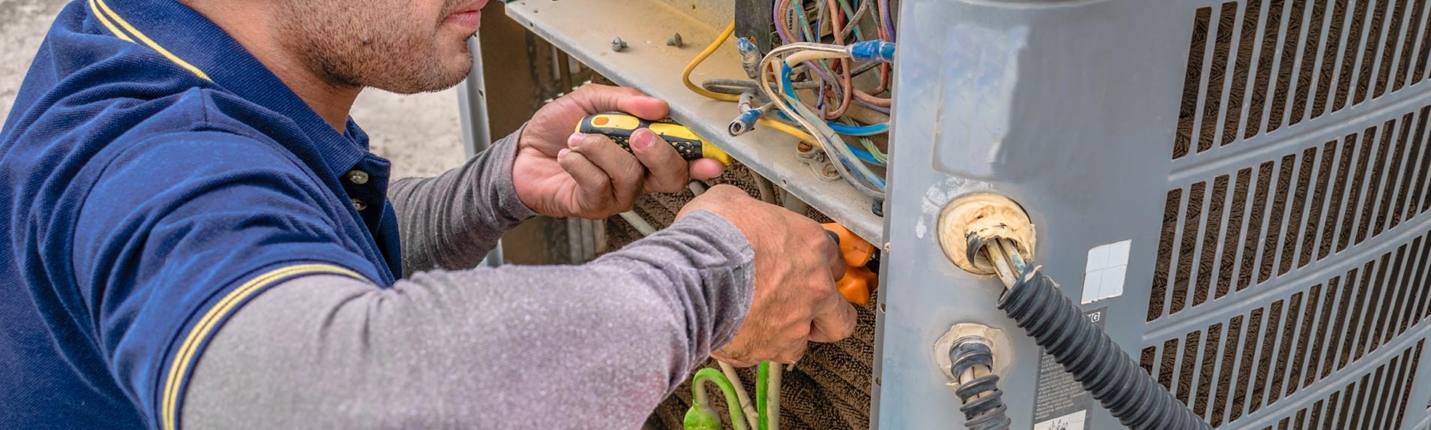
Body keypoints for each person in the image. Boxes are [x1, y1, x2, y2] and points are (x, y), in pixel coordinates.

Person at [0, 0, 859, 427]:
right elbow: (330, 391)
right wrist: (712, 278)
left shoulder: (147, 48)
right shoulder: (153, 152)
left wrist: (488, 190)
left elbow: (290, 240)